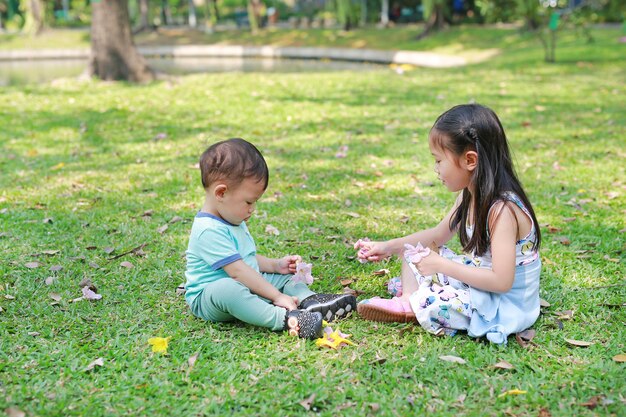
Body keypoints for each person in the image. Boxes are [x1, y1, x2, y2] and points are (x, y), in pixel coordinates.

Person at [355, 104, 541, 344]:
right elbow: (436, 236)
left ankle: (418, 304)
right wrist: (388, 246)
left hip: (503, 304)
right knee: (416, 252)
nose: (436, 169)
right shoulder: (469, 194)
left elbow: (502, 282)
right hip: (481, 279)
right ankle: (408, 300)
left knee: (438, 296)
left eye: (439, 160)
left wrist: (441, 265)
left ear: (470, 160)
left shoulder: (502, 210)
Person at [185, 138, 356, 340]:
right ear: (221, 192)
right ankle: (286, 319)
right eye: (249, 201)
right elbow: (237, 271)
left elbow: (246, 259)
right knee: (227, 290)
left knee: (285, 278)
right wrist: (276, 296)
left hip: (243, 282)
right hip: (211, 298)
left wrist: (276, 266)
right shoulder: (208, 230)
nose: (252, 209)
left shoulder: (230, 217)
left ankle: (310, 301)